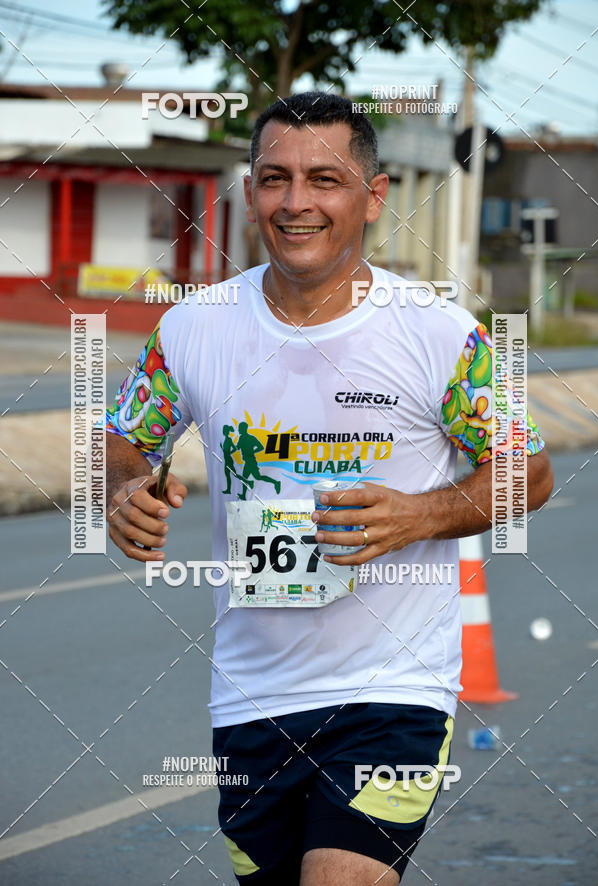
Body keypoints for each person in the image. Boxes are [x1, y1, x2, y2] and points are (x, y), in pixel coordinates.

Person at [105, 92, 553, 885]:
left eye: (325, 179)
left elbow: (531, 471)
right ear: (250, 191)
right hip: (250, 698)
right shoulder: (194, 326)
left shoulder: (438, 333)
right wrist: (125, 489)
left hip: (394, 692)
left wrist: (420, 515)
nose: (296, 202)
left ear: (374, 197)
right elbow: (123, 442)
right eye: (275, 178)